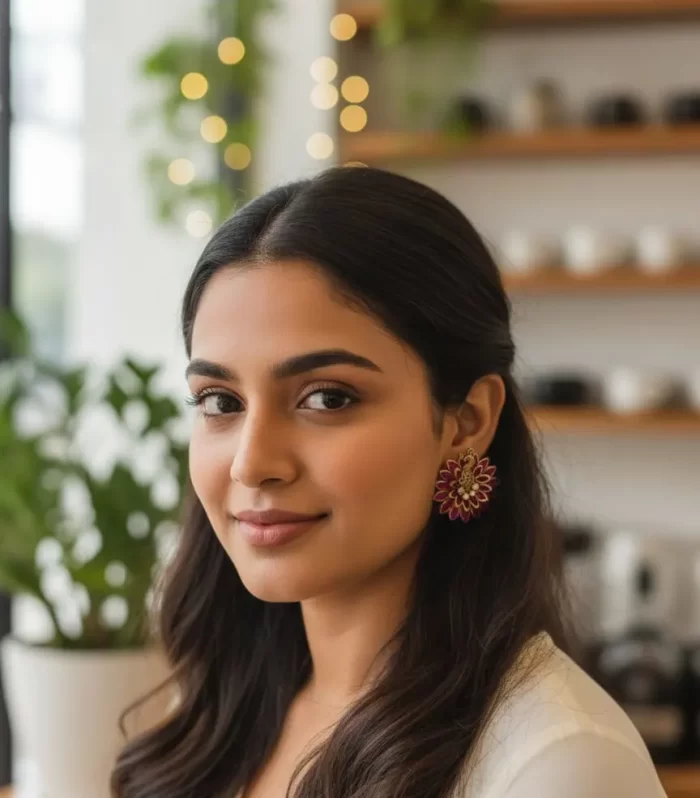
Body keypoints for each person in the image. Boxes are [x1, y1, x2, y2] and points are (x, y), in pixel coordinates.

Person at [111, 167, 667, 798]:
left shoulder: (559, 765)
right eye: (219, 401)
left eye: (327, 397)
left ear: (467, 421)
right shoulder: (224, 712)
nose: (250, 462)